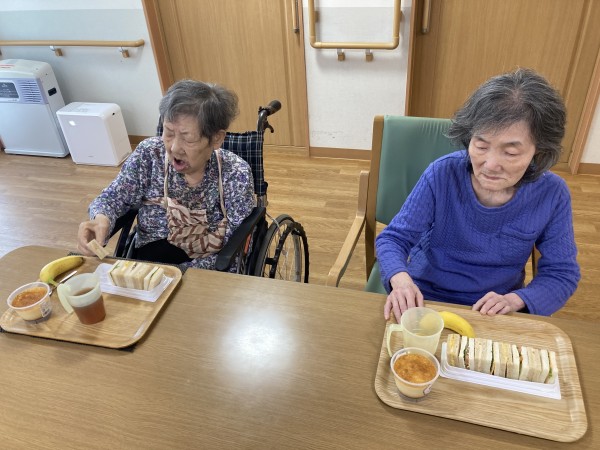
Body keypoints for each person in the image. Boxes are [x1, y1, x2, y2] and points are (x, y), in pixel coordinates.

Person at [376, 68, 580, 322]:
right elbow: (394, 239)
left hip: (495, 309)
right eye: (481, 146)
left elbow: (562, 273)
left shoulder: (552, 193)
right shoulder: (442, 174)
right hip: (426, 296)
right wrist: (401, 280)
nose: (490, 165)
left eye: (510, 153)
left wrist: (516, 300)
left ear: (538, 152)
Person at [77, 79, 255, 271]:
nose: (174, 148)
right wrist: (101, 219)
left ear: (216, 138)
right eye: (168, 133)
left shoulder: (236, 173)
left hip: (206, 268)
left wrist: (180, 273)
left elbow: (239, 244)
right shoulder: (149, 155)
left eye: (188, 138)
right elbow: (113, 197)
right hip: (149, 265)